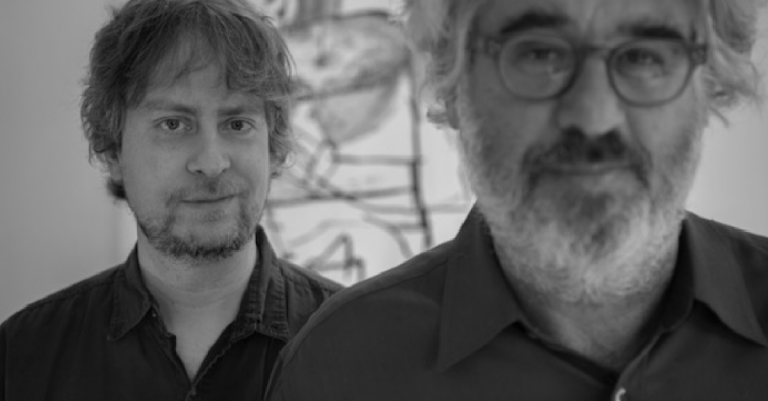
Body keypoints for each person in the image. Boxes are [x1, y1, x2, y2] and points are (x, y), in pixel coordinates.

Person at [266, 0, 768, 399]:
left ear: (712, 86)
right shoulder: (340, 368)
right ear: (451, 85)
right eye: (538, 54)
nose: (593, 117)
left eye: (644, 56)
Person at [0, 0, 342, 400]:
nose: (211, 163)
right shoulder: (20, 358)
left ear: (273, 147)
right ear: (114, 151)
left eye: (237, 123)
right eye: (174, 124)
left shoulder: (360, 338)